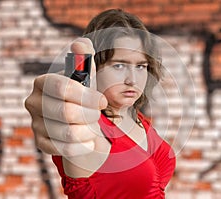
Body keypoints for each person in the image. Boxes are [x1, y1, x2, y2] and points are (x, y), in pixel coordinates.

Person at [25, 9, 175, 198]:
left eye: (140, 66)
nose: (132, 80)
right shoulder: (90, 128)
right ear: (95, 66)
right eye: (119, 65)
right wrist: (73, 101)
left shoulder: (137, 119)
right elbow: (78, 134)